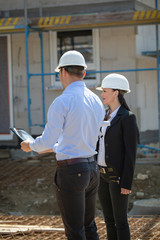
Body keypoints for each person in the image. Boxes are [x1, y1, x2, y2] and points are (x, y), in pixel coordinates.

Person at [21, 50, 105, 240]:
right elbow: (82, 137)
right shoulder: (96, 101)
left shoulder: (62, 102)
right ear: (84, 73)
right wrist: (57, 146)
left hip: (72, 171)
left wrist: (30, 145)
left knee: (75, 231)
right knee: (89, 226)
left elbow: (47, 141)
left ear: (62, 73)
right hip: (92, 169)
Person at [96, 73, 139, 240]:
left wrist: (126, 182)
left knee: (121, 222)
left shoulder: (127, 118)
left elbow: (131, 154)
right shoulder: (103, 115)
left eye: (105, 91)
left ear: (116, 93)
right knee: (108, 221)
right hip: (102, 176)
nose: (102, 95)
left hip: (117, 178)